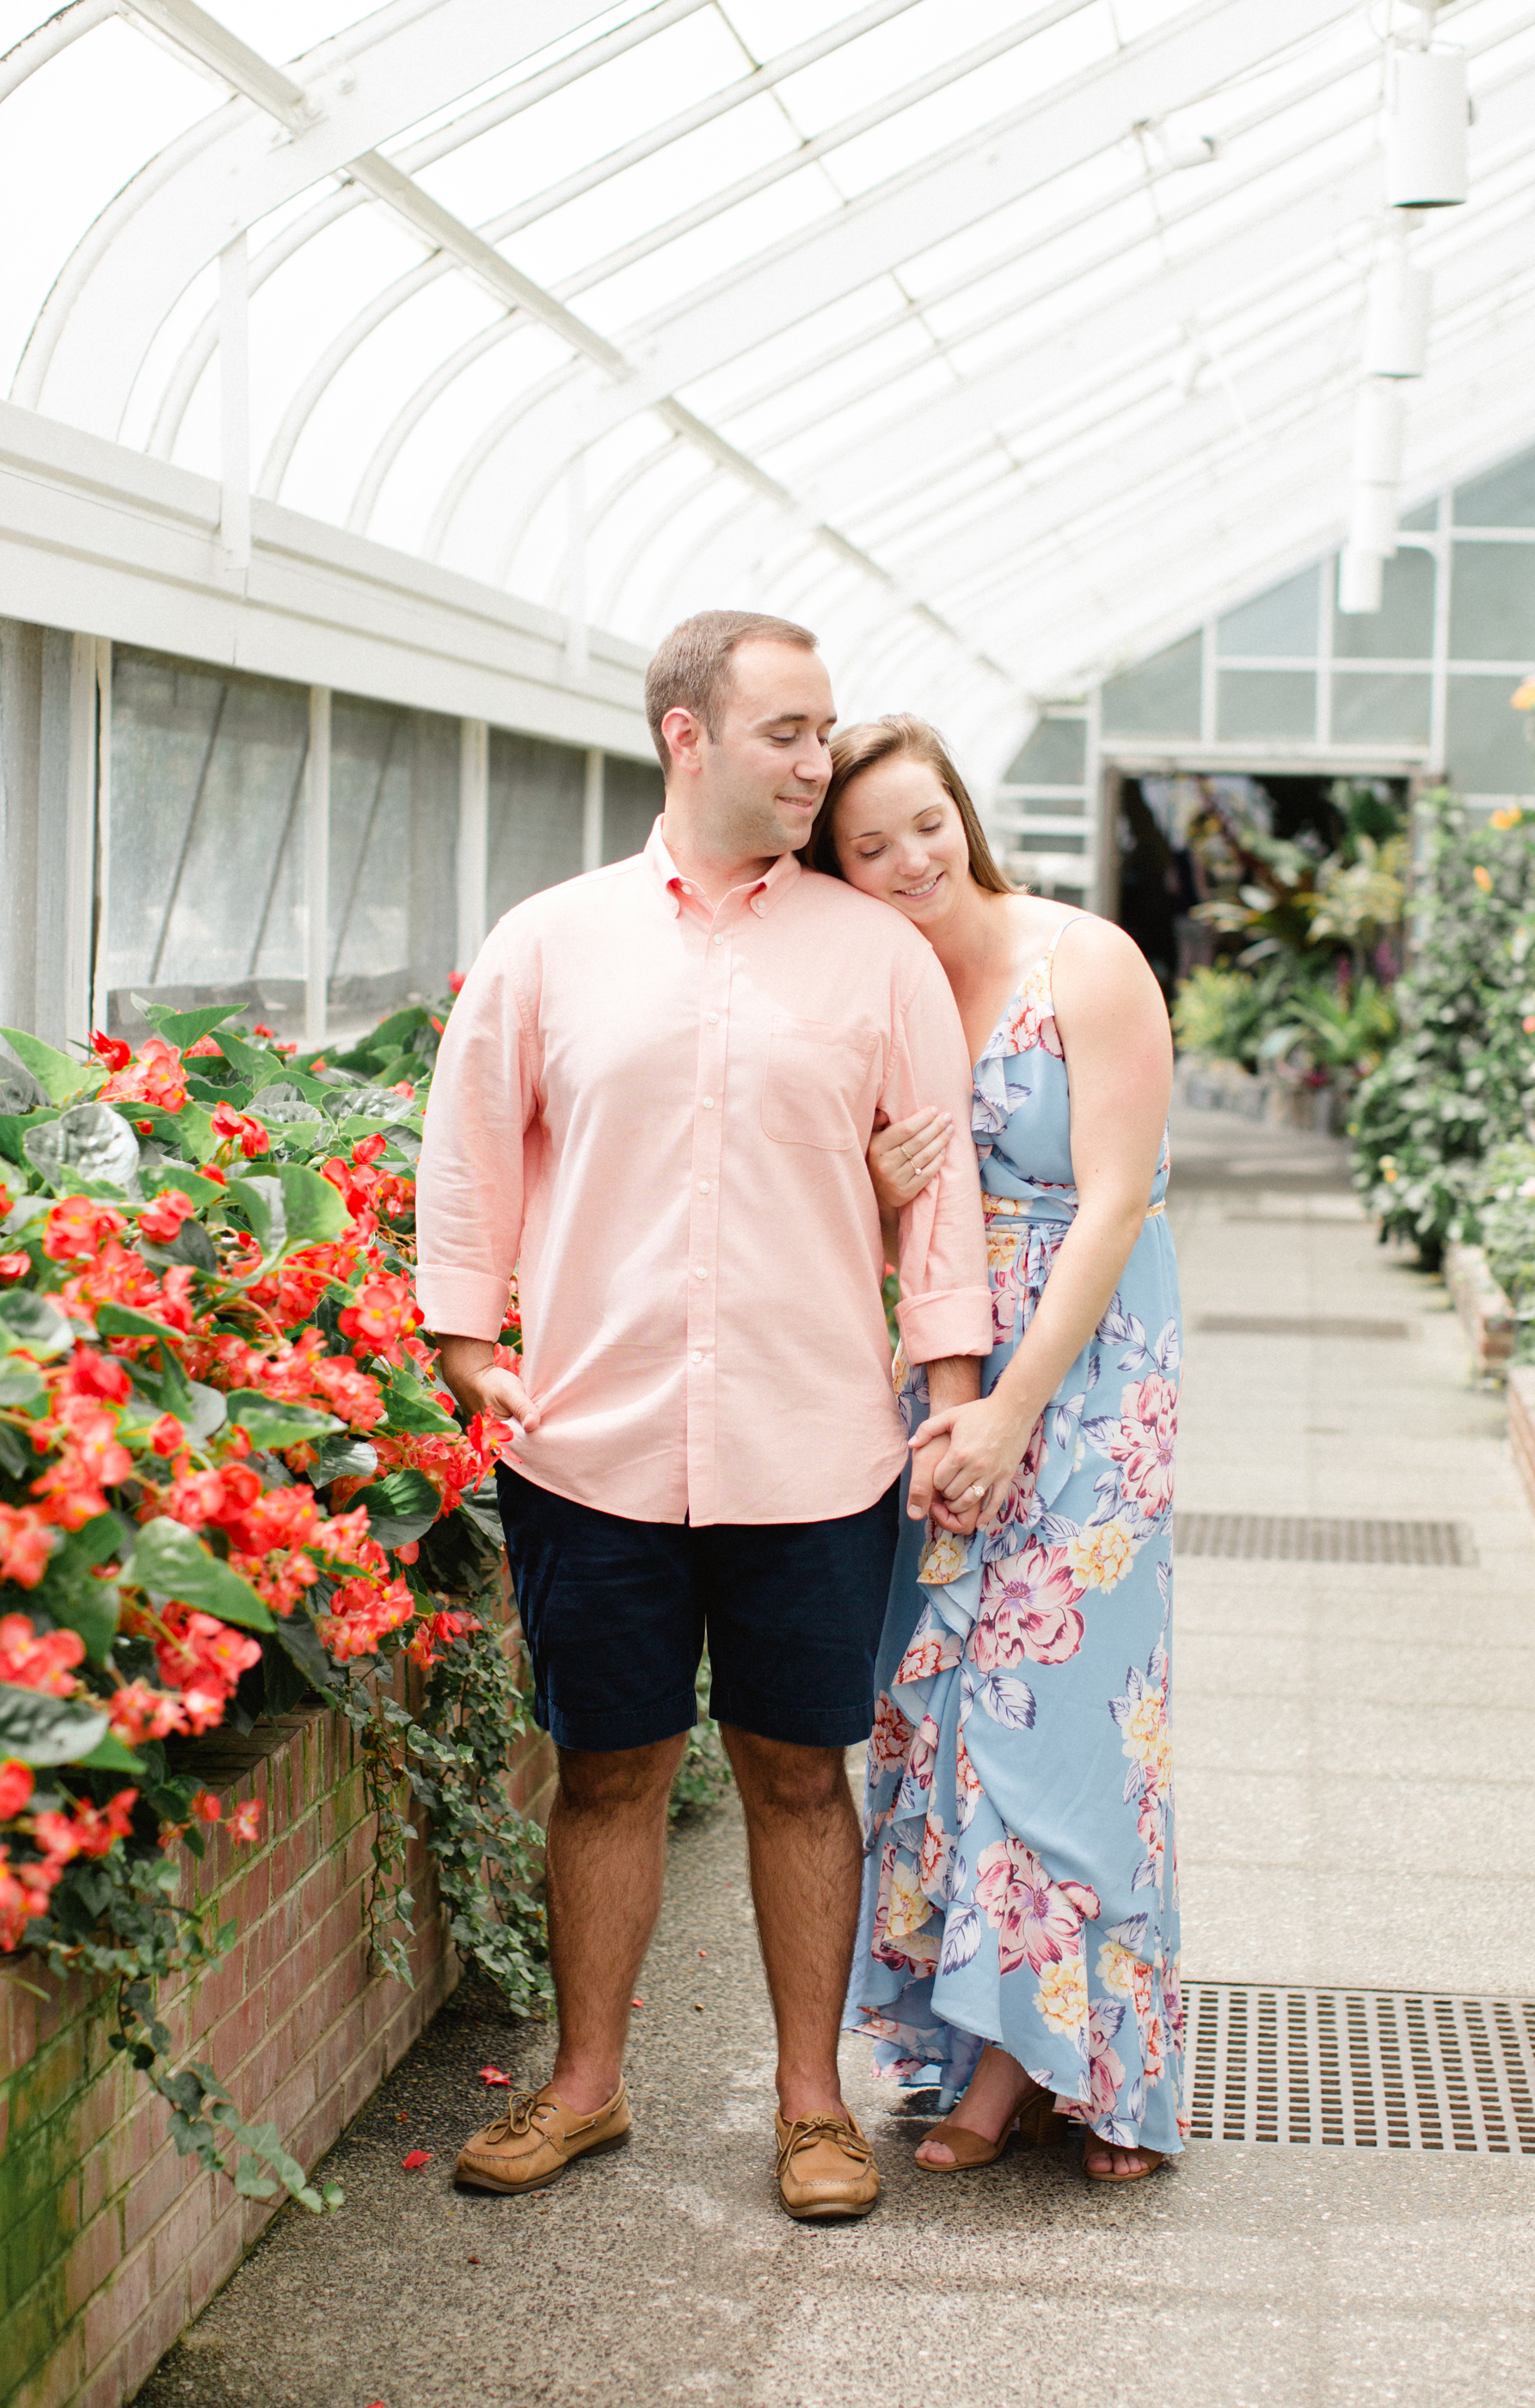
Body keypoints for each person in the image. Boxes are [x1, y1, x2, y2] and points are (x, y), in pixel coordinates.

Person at [414, 617, 992, 2221]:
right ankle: (583, 2091)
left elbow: (937, 1199)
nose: (822, 763)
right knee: (606, 1769)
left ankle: (816, 2112)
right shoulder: (551, 942)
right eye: (790, 734)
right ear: (688, 736)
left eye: (826, 734)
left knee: (803, 1775)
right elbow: (472, 1153)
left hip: (814, 1446)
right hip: (594, 1444)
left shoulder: (876, 958)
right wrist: (470, 1351)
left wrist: (952, 1394)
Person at [810, 715, 1186, 2183]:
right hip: (947, 1378)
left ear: (962, 811)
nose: (911, 859)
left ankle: (1087, 2071)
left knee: (1067, 1713)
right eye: (869, 846)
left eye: (926, 823)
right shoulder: (885, 994)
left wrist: (1021, 1405)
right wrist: (873, 1179)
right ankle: (988, 2055)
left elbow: (1112, 1204)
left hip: (1088, 1386)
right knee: (953, 1706)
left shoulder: (1083, 960)